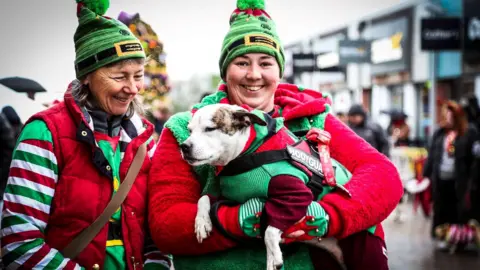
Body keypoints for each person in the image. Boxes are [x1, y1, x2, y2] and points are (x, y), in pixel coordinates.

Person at [148, 0, 402, 269]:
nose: (254, 75)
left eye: (266, 63)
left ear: (279, 71)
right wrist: (237, 221)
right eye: (242, 62)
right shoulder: (185, 127)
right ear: (225, 71)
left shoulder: (312, 117)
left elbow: (383, 176)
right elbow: (165, 224)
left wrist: (328, 216)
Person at [0, 1, 172, 269]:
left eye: (138, 75)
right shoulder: (44, 133)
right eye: (119, 76)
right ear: (87, 76)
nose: (133, 88)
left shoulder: (142, 139)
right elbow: (19, 240)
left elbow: (156, 231)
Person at [423, 100, 479, 248]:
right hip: (440, 179)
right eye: (446, 115)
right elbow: (432, 155)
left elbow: (474, 159)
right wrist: (425, 175)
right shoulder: (439, 133)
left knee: (459, 211)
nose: (448, 119)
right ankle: (443, 236)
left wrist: (472, 182)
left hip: (460, 181)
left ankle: (459, 238)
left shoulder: (468, 133)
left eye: (451, 116)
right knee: (441, 209)